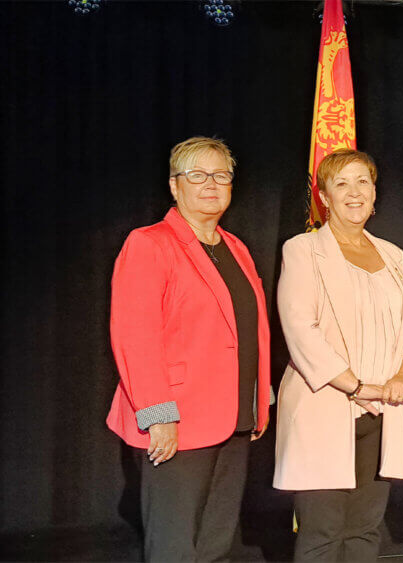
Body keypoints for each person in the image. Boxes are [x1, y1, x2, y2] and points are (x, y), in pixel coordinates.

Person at [107, 136, 271, 561]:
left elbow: (251, 331)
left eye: (221, 175)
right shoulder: (149, 243)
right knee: (175, 542)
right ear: (175, 185)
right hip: (178, 418)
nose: (210, 184)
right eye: (197, 175)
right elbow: (134, 336)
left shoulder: (235, 247)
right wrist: (158, 414)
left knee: (216, 539)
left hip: (235, 414)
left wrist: (259, 398)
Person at [273, 148, 403, 562]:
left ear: (375, 193)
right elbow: (300, 330)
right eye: (341, 183)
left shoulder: (393, 255)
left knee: (365, 529)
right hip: (324, 406)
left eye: (363, 181)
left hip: (385, 409)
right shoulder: (302, 250)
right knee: (323, 532)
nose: (355, 192)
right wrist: (357, 386)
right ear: (324, 197)